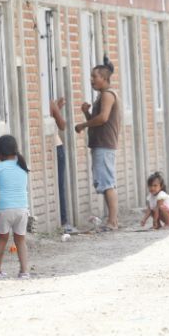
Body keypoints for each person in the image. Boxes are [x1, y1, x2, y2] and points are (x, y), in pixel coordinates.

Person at [74, 57, 121, 230]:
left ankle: (112, 221)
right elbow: (97, 120)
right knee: (106, 181)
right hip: (101, 143)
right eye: (92, 77)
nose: (92, 80)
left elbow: (103, 118)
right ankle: (113, 220)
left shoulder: (108, 95)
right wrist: (87, 114)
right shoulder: (102, 96)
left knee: (107, 183)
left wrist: (82, 125)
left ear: (105, 78)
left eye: (95, 76)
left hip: (104, 144)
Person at [0, 135, 30, 280]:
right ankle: (24, 271)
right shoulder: (23, 166)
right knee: (20, 240)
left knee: (2, 239)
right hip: (22, 209)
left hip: (4, 209)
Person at [50, 97, 71, 233]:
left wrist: (56, 109)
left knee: (58, 185)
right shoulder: (50, 102)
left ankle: (63, 220)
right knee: (60, 185)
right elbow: (62, 125)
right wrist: (56, 108)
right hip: (57, 146)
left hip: (55, 148)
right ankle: (63, 220)